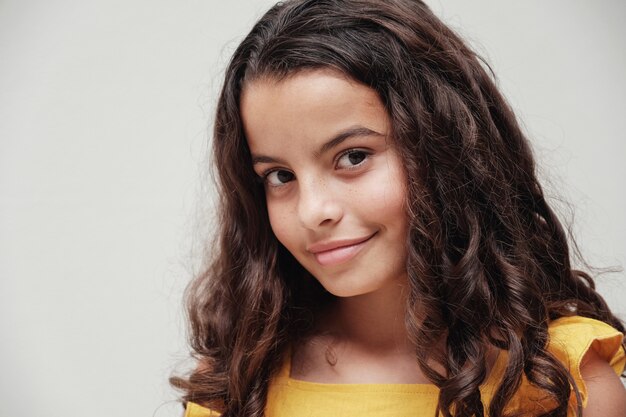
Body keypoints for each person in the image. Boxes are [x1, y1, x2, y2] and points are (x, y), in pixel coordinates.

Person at [171, 1, 626, 416]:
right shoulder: (239, 382)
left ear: (444, 149)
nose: (313, 211)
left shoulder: (562, 382)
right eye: (280, 176)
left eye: (353, 157)